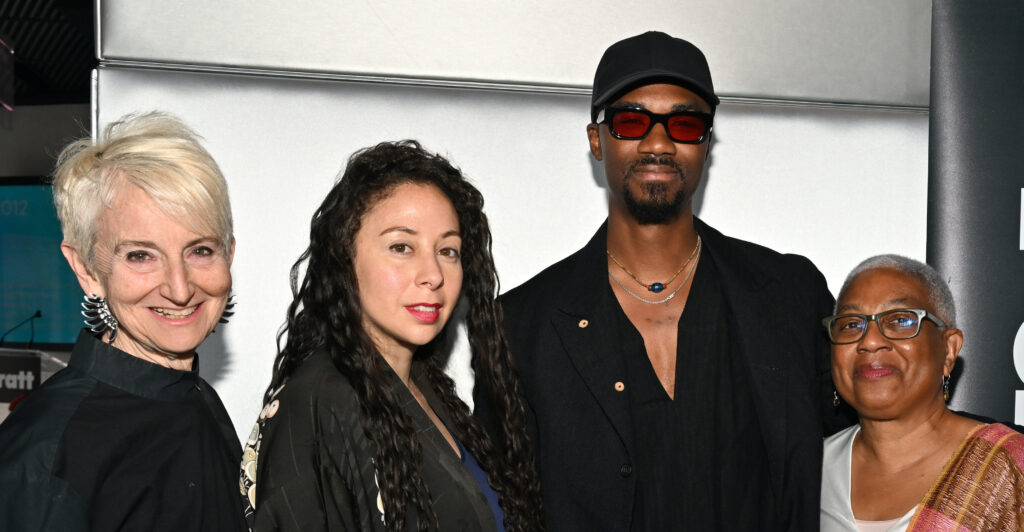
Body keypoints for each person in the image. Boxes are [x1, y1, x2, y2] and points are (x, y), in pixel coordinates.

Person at [475, 31, 850, 531]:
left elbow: (868, 448)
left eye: (685, 123)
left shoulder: (789, 294)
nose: (658, 143)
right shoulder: (521, 326)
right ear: (597, 140)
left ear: (706, 143)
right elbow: (503, 507)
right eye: (631, 122)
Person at [244, 140, 543, 532]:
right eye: (401, 247)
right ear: (344, 259)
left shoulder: (430, 389)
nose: (433, 274)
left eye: (448, 251)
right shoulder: (316, 402)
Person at [0, 112, 247, 531]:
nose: (180, 288)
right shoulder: (47, 454)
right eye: (140, 255)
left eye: (200, 250)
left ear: (229, 254)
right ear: (87, 270)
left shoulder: (198, 399)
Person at [820, 255, 1024, 531]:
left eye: (900, 320)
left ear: (949, 349)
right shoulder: (807, 470)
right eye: (851, 324)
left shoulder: (1011, 467)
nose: (869, 341)